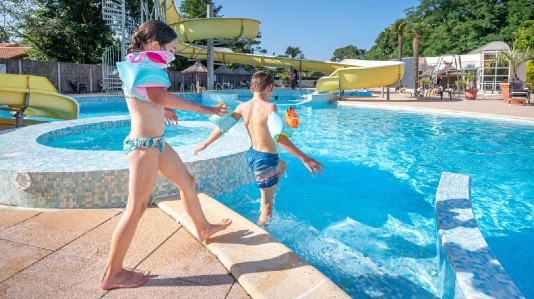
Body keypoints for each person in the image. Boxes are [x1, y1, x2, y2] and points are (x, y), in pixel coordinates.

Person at [100, 20, 232, 291]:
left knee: (187, 182)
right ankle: (112, 273)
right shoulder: (147, 66)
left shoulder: (139, 63)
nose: (172, 55)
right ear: (154, 45)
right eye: (170, 49)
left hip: (155, 143)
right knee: (135, 209)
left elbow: (147, 100)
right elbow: (158, 98)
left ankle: (203, 228)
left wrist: (164, 112)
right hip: (144, 146)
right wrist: (202, 110)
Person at [194, 71, 323, 225]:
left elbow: (223, 127)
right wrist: (305, 158)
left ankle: (269, 190)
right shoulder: (270, 107)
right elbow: (278, 137)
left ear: (251, 88)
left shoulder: (242, 107)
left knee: (282, 166)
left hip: (253, 155)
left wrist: (205, 144)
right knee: (267, 206)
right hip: (266, 160)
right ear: (270, 87)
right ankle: (263, 230)